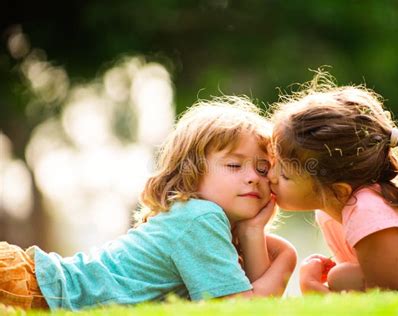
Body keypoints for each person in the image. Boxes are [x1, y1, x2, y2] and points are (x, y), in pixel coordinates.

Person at [0, 96, 297, 310]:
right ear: (191, 172)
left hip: (43, 289)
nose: (253, 178)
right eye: (234, 166)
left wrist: (252, 232)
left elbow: (253, 300)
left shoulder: (207, 222)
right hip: (38, 287)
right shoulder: (200, 217)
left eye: (262, 168)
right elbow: (241, 308)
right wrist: (287, 259)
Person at [268, 71, 398, 293]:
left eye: (285, 175)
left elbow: (390, 296)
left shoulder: (366, 209)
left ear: (338, 191)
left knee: (340, 276)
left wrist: (317, 291)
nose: (270, 176)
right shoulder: (330, 210)